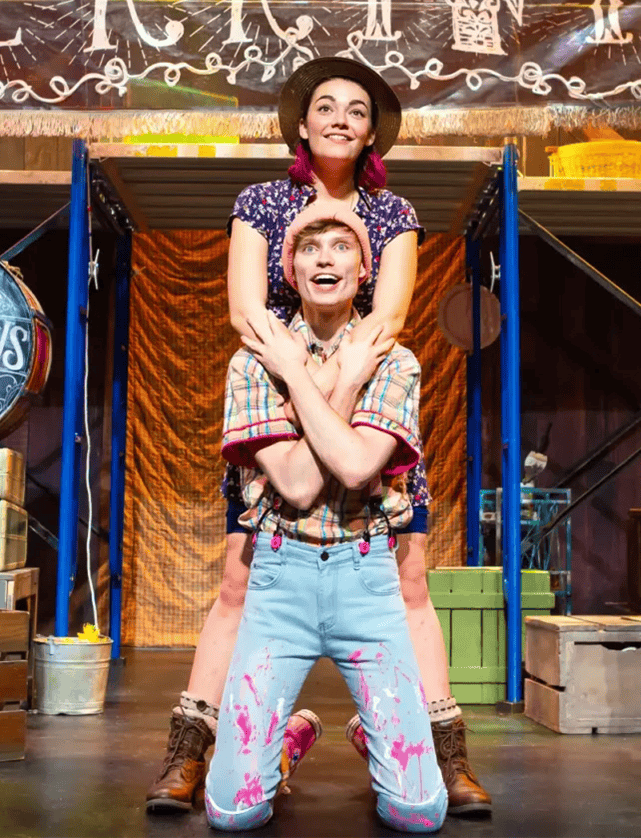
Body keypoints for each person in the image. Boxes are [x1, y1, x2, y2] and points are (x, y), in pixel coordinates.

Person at [145, 57, 490, 816]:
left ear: (371, 132)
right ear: (302, 124)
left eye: (356, 109)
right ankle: (193, 751)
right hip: (275, 394)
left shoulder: (392, 213)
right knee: (238, 582)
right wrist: (307, 382)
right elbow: (247, 317)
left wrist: (333, 388)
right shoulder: (262, 201)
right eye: (324, 105)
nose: (339, 116)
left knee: (408, 585)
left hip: (363, 400)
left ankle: (436, 752)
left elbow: (386, 326)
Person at [205, 200, 447, 833]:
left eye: (341, 247)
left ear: (363, 269)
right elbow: (294, 482)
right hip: (279, 581)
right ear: (289, 268)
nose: (325, 259)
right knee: (233, 813)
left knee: (420, 814)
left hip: (366, 580)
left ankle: (374, 735)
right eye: (310, 249)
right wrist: (328, 378)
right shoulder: (255, 361)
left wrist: (309, 384)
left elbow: (357, 470)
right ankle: (289, 736)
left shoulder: (396, 361)